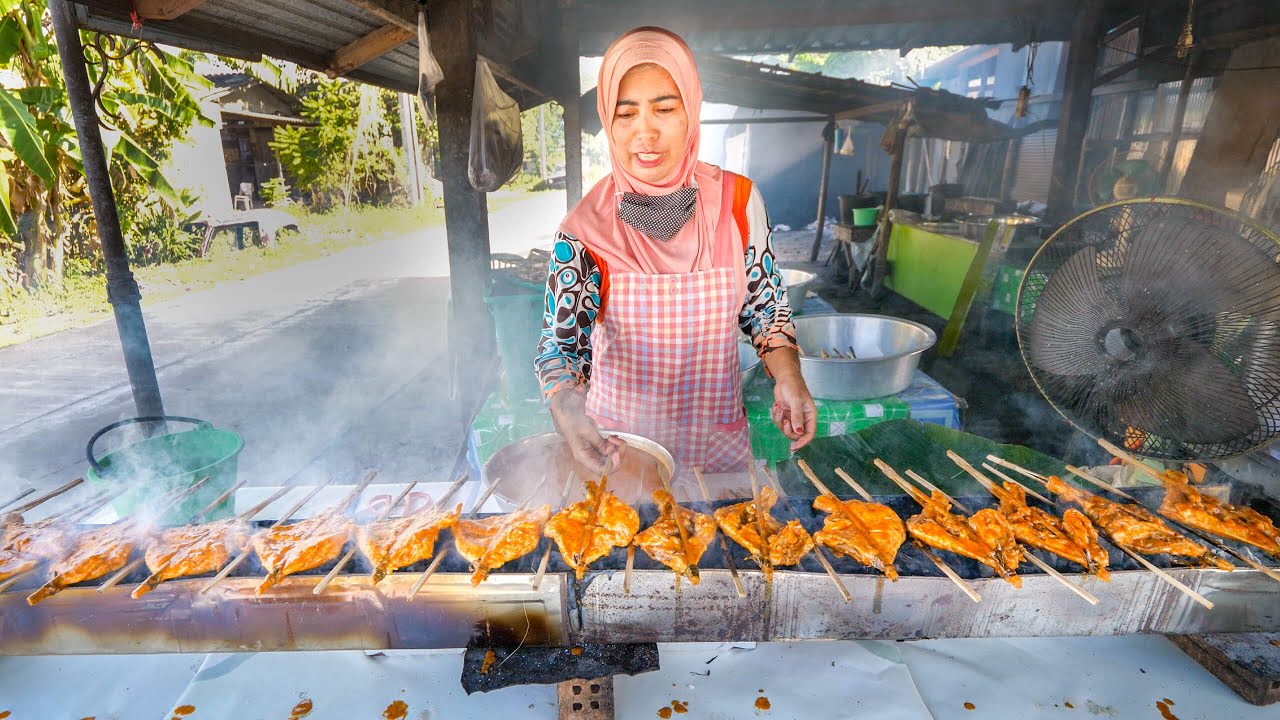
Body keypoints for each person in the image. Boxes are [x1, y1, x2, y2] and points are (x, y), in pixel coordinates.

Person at [534, 27, 816, 480]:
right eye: (626, 115)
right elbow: (562, 343)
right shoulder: (586, 228)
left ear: (692, 110)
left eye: (665, 108)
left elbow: (766, 310)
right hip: (623, 451)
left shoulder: (738, 202)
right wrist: (567, 408)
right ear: (608, 120)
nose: (645, 132)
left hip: (716, 448)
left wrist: (789, 377)